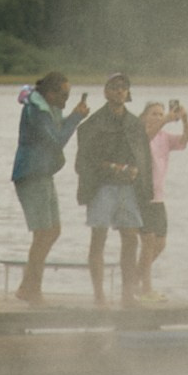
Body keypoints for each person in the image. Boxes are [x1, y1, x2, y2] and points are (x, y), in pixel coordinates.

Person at [74, 73, 154, 310]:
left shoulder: (135, 124)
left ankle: (127, 294)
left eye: (124, 88)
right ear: (106, 92)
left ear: (128, 93)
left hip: (128, 189)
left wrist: (137, 174)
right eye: (115, 87)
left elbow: (145, 160)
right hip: (102, 188)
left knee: (130, 238)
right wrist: (112, 167)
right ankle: (99, 295)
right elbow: (83, 163)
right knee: (99, 238)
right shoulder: (92, 124)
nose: (120, 91)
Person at [10, 71, 91, 305]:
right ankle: (31, 290)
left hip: (43, 173)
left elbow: (56, 132)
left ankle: (27, 285)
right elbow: (56, 141)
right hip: (31, 173)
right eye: (64, 94)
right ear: (51, 93)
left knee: (53, 231)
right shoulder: (37, 110)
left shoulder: (48, 107)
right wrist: (76, 117)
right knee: (43, 233)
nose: (67, 99)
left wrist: (74, 117)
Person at [136, 97, 188, 301]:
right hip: (142, 195)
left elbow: (186, 139)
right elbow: (145, 139)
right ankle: (145, 290)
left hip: (158, 198)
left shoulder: (164, 137)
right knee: (148, 242)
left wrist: (184, 119)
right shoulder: (140, 133)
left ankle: (134, 278)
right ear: (143, 117)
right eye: (154, 113)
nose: (158, 117)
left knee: (160, 243)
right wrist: (167, 119)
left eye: (161, 113)